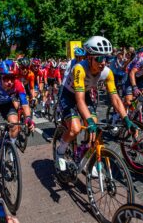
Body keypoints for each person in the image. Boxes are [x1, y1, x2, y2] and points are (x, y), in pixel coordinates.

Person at [55, 36, 138, 171]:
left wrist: (126, 119)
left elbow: (115, 98)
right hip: (68, 95)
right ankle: (60, 151)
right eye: (99, 58)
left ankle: (85, 154)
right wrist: (88, 120)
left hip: (84, 94)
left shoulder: (107, 72)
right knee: (75, 128)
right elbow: (79, 100)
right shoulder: (79, 69)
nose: (103, 62)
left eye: (106, 58)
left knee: (94, 127)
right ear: (89, 58)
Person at [0, 61, 35, 173]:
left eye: (12, 78)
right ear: (0, 76)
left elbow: (25, 104)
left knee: (15, 125)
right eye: (6, 78)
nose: (10, 82)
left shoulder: (18, 84)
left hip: (7, 105)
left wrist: (29, 118)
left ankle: (11, 147)